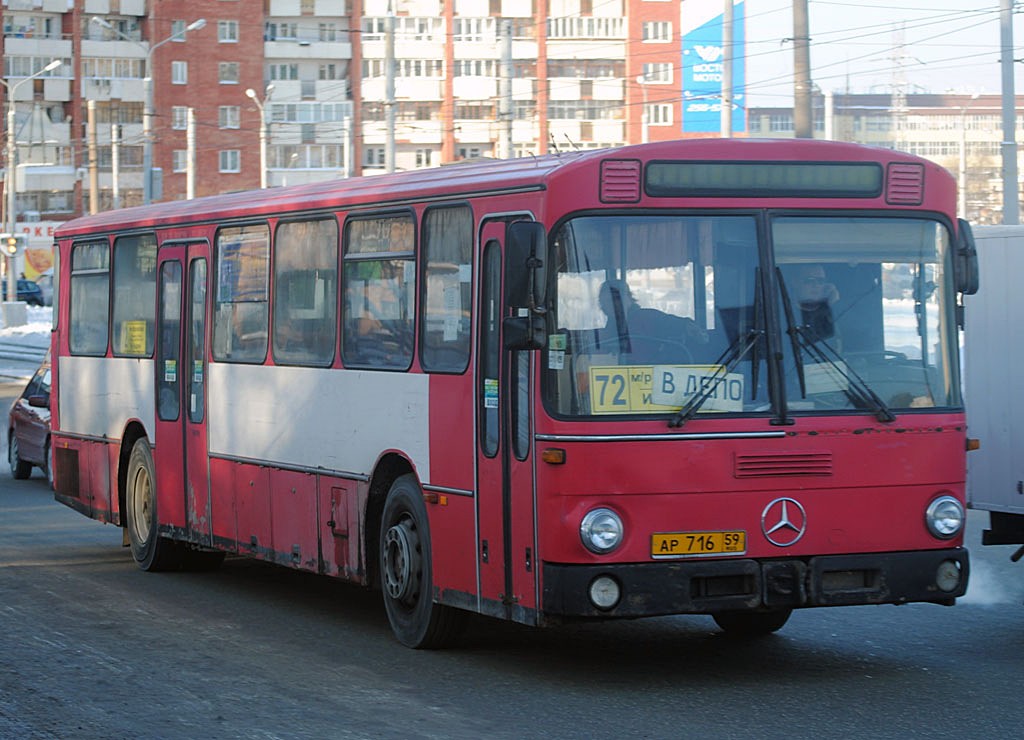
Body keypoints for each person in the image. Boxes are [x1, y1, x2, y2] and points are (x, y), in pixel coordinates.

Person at [597, 279, 706, 362]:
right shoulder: (608, 330)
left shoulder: (648, 318)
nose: (608, 306)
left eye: (613, 300)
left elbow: (682, 325)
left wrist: (690, 328)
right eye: (604, 302)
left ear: (627, 297)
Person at [796, 264, 840, 341]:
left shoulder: (833, 311)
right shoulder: (785, 312)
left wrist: (832, 305)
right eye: (809, 280)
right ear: (795, 283)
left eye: (820, 281)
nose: (816, 285)